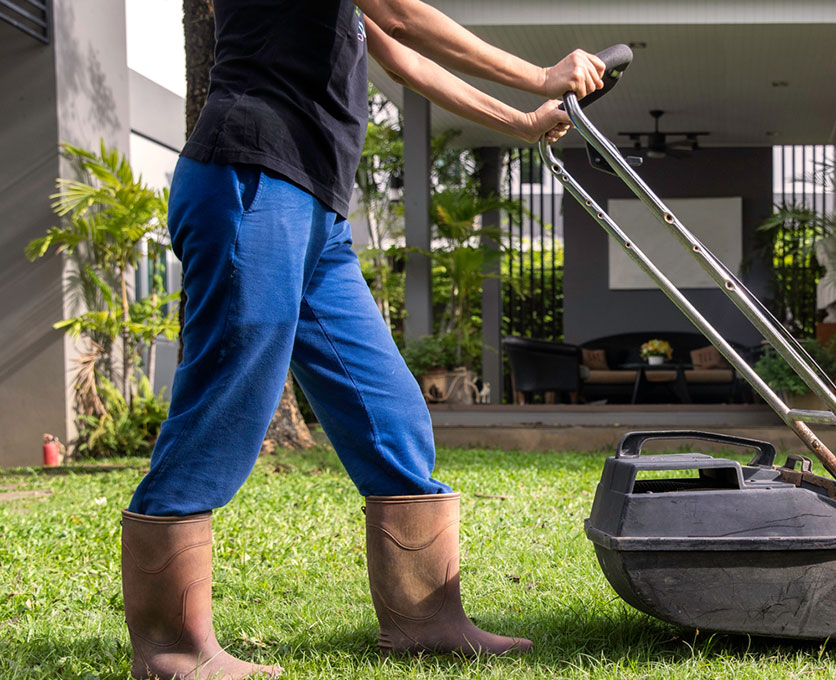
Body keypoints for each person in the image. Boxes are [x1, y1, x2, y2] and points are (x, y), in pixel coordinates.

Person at [120, 2, 603, 677]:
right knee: (224, 404)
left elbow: (399, 55)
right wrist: (541, 74)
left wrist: (521, 121)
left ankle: (424, 621)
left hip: (317, 210)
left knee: (389, 412)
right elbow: (405, 18)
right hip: (252, 181)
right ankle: (171, 648)